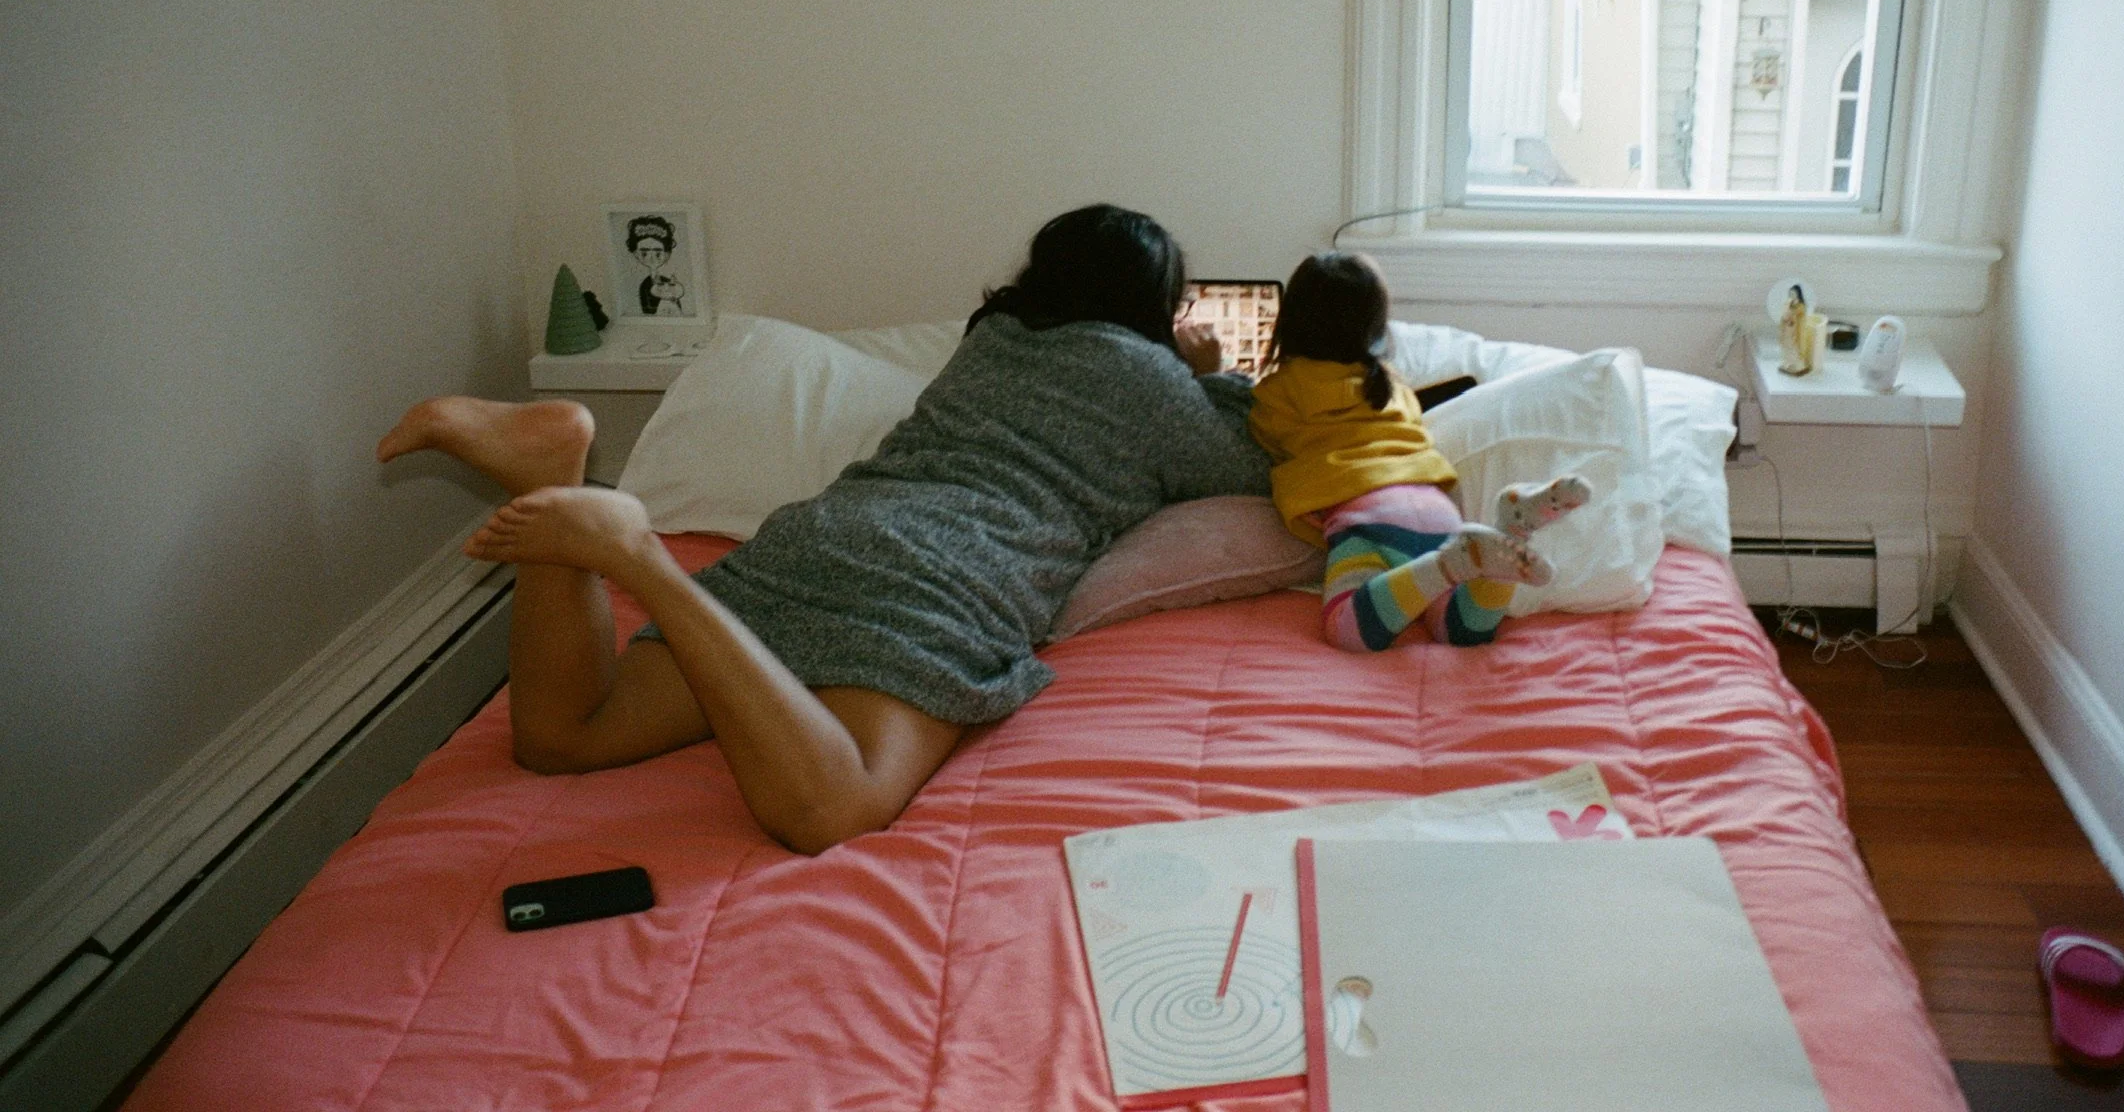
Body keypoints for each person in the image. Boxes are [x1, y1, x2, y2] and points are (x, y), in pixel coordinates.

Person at [377, 206, 1268, 854]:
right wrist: (1207, 372)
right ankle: (642, 561)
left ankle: (550, 469)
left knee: (564, 737)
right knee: (835, 809)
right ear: (1155, 305)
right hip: (942, 583)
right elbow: (1252, 469)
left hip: (821, 538)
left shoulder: (991, 340)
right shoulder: (1151, 379)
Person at [1250, 252, 1589, 653]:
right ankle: (1510, 532)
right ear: (1376, 326)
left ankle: (1447, 566)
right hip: (1436, 510)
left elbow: (1265, 442)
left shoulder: (1276, 392)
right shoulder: (1391, 384)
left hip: (1366, 516)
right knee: (1459, 631)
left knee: (1348, 630)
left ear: (1291, 320)